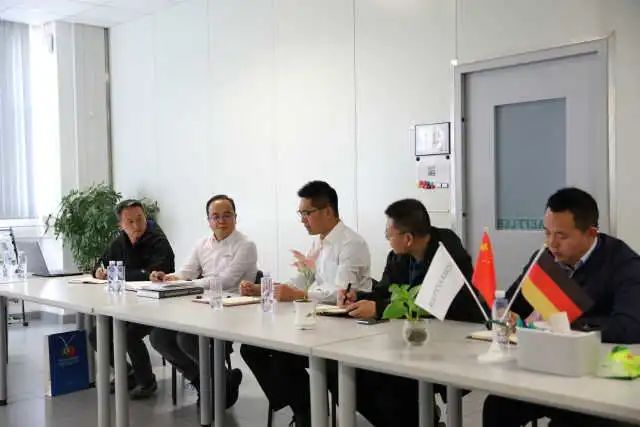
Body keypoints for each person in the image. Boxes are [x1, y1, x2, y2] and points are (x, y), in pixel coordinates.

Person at [483, 187, 640, 427]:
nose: (551, 243)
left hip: (598, 375)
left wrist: (565, 325)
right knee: (497, 406)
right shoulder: (545, 258)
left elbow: (629, 327)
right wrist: (505, 315)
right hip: (548, 367)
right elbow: (512, 302)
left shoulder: (624, 263)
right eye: (547, 233)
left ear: (590, 233)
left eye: (561, 236)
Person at [335, 198, 487, 426]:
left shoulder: (448, 254)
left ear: (407, 239)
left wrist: (379, 308)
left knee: (390, 380)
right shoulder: (397, 256)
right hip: (413, 339)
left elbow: (433, 303)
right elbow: (384, 291)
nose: (387, 240)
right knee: (356, 376)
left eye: (389, 235)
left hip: (456, 340)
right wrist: (359, 297)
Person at [240, 180, 372, 427]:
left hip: (345, 326)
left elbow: (340, 292)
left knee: (283, 356)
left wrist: (299, 294)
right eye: (300, 213)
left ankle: (307, 412)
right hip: (315, 320)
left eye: (307, 213)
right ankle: (305, 408)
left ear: (328, 211)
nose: (302, 220)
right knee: (252, 348)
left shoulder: (351, 244)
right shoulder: (318, 242)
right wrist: (266, 288)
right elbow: (303, 278)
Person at [149, 194, 257, 407]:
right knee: (159, 337)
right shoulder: (202, 244)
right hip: (202, 306)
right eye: (215, 216)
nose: (221, 221)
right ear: (208, 220)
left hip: (233, 309)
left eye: (227, 215)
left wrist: (190, 283)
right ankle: (205, 381)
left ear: (235, 217)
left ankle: (219, 383)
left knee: (186, 339)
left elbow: (226, 281)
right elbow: (186, 271)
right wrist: (167, 277)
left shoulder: (246, 245)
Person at [88, 199, 175, 399]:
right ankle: (128, 374)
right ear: (121, 225)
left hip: (157, 304)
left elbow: (155, 273)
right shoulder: (120, 241)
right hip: (128, 304)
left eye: (140, 219)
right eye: (130, 222)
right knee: (97, 334)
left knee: (128, 335)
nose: (137, 226)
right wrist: (99, 271)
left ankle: (147, 382)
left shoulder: (157, 240)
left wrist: (119, 273)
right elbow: (101, 263)